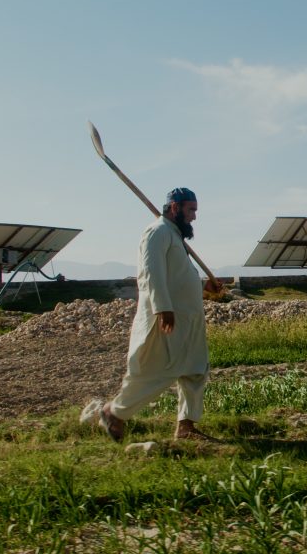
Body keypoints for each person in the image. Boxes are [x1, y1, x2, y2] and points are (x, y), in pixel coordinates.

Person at [100, 187, 220, 443]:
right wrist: (163, 307)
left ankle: (186, 427)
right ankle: (114, 412)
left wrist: (203, 288)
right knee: (157, 372)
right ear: (175, 207)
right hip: (167, 319)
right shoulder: (157, 232)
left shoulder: (174, 236)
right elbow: (151, 273)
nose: (194, 216)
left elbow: (177, 279)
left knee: (195, 371)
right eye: (191, 210)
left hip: (188, 321)